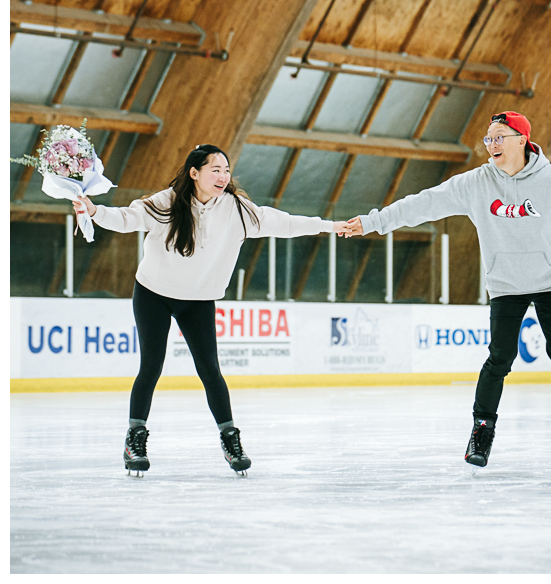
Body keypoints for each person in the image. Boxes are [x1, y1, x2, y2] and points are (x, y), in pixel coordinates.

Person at [341, 111, 551, 475]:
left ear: (521, 140)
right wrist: (373, 222)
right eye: (488, 138)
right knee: (499, 360)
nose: (491, 145)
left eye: (499, 137)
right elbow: (422, 204)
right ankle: (482, 431)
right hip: (506, 284)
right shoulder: (475, 184)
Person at [73, 145, 348, 476]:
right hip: (153, 293)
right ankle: (135, 439)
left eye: (226, 170)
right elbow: (127, 218)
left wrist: (330, 226)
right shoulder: (168, 202)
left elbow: (282, 223)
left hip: (199, 299)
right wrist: (94, 211)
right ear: (195, 172)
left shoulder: (237, 210)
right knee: (151, 366)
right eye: (215, 169)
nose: (223, 176)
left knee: (210, 370)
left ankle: (230, 439)